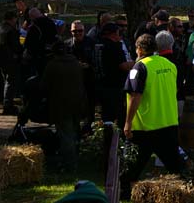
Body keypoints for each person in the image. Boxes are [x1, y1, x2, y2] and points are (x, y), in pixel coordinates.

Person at [122, 34, 181, 195]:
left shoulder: (139, 67)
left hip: (145, 126)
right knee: (175, 166)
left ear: (140, 49)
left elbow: (135, 96)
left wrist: (128, 122)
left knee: (131, 166)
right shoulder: (170, 65)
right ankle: (187, 192)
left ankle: (124, 193)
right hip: (169, 123)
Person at [41, 41, 86, 171]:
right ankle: (75, 159)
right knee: (73, 132)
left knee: (66, 135)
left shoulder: (52, 65)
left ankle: (69, 164)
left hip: (61, 105)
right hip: (78, 104)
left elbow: (44, 86)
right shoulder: (76, 64)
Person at [94, 22, 133, 125]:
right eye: (118, 33)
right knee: (119, 115)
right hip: (115, 86)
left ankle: (107, 132)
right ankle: (119, 134)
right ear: (113, 34)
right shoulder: (114, 46)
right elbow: (123, 65)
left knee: (106, 116)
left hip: (100, 84)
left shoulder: (97, 45)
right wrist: (138, 62)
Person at [0, 11, 22, 115]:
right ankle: (8, 105)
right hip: (10, 59)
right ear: (12, 18)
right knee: (11, 82)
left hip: (1, 58)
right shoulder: (11, 30)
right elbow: (16, 46)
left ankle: (5, 101)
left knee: (6, 81)